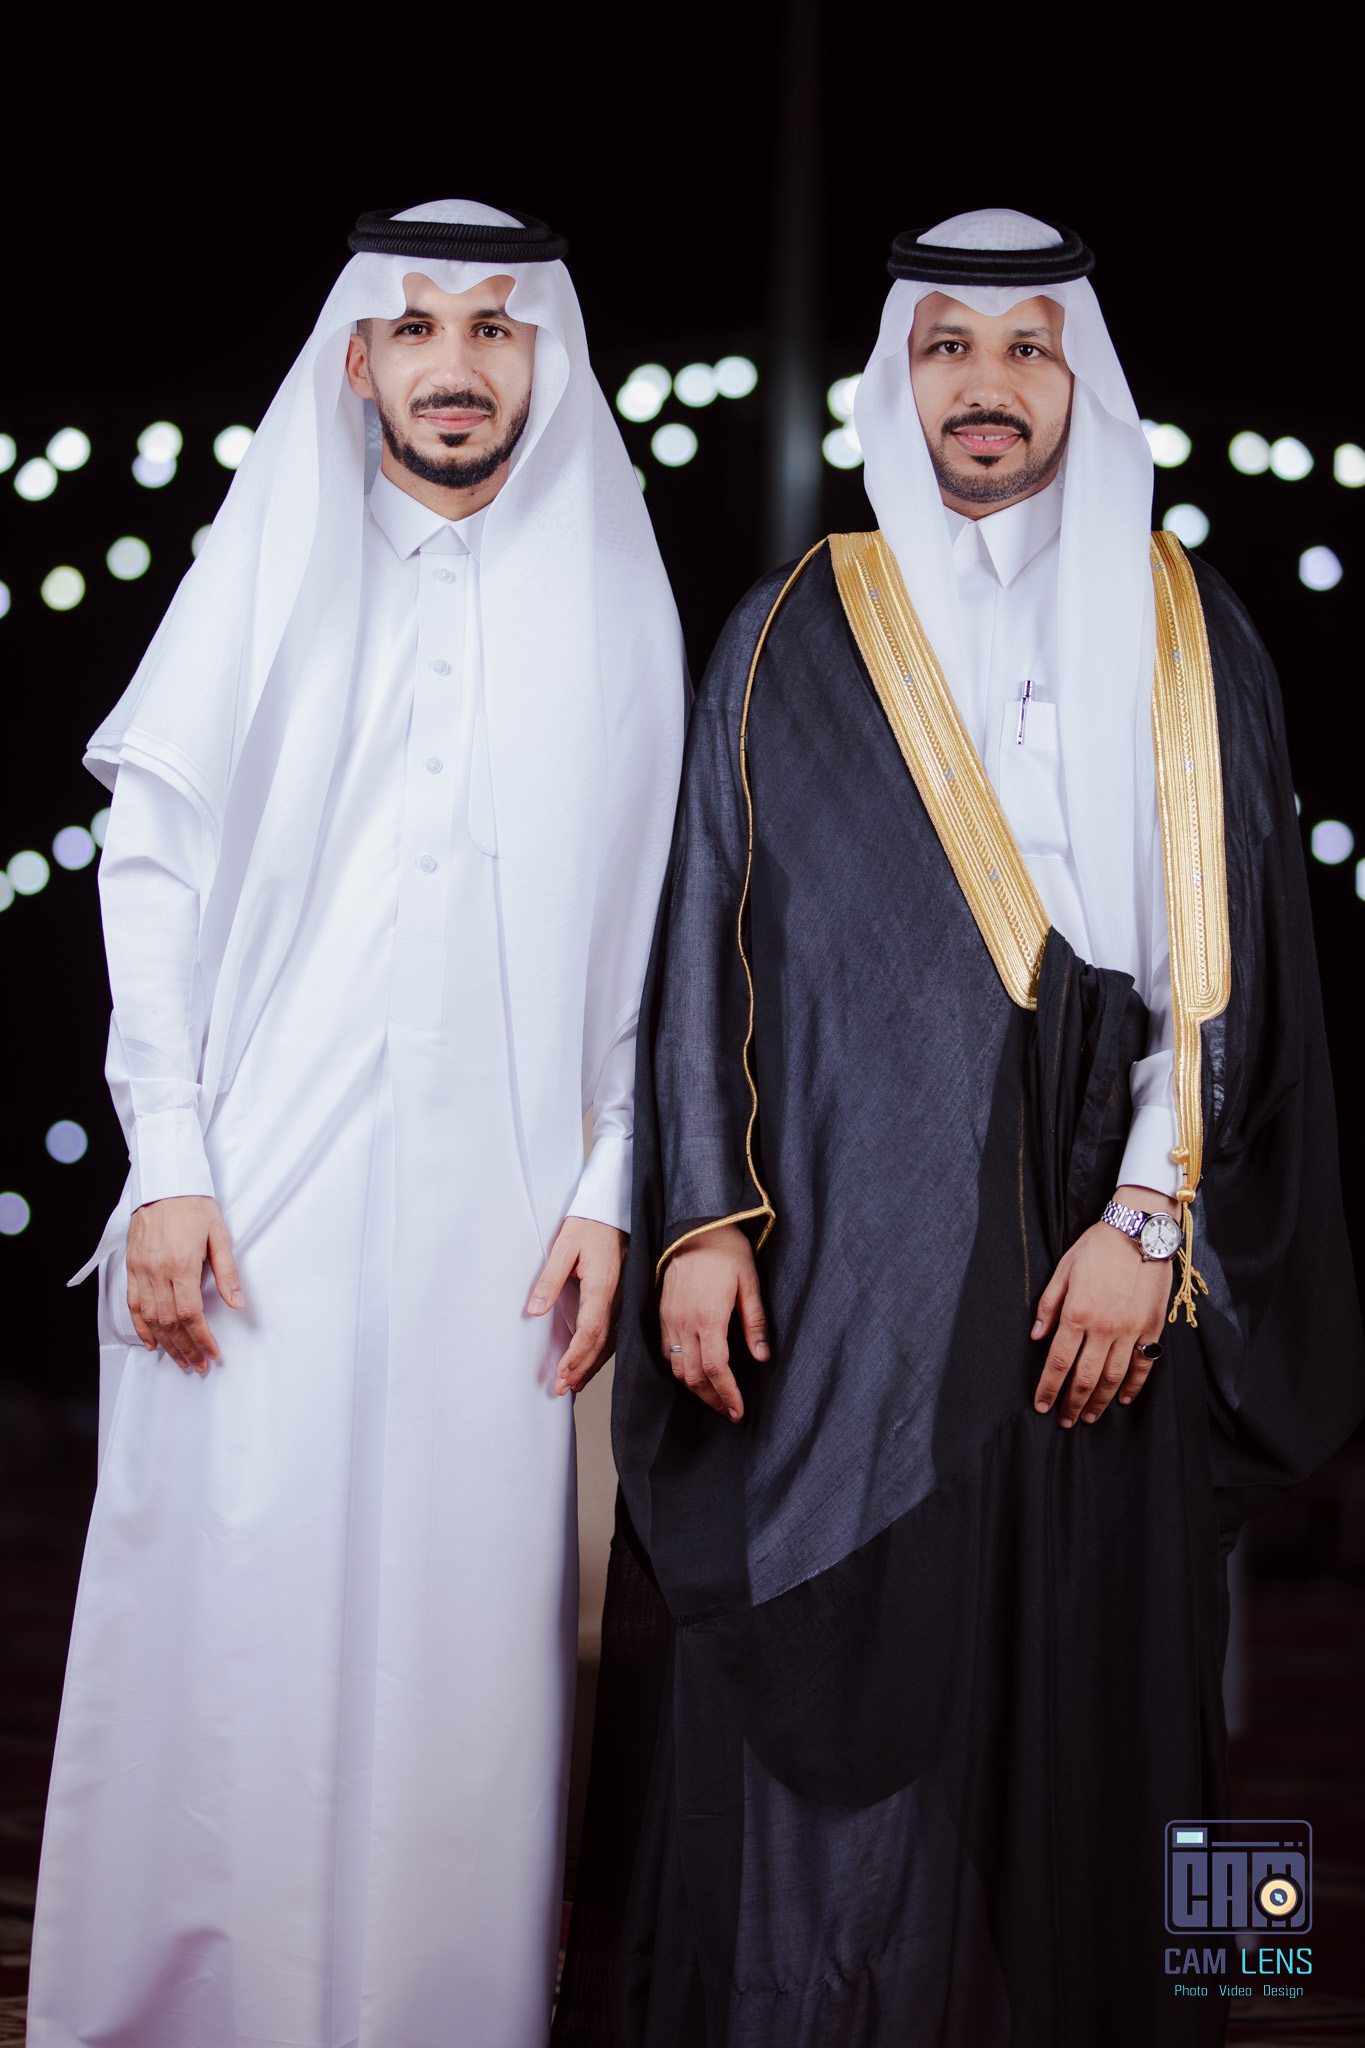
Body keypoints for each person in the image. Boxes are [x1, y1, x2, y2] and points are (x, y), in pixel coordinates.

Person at [555, 210, 1364, 2047]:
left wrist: (1148, 1221)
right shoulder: (792, 627)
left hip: (1105, 1273)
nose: (983, 388)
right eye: (944, 349)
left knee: (1124, 1702)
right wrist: (699, 1222)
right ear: (894, 378)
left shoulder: (1185, 629)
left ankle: (1183, 2013)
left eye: (1022, 349)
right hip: (841, 1272)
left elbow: (1228, 966)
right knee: (818, 1704)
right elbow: (704, 933)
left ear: (1080, 378)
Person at [28, 199, 685, 2048]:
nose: (454, 366)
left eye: (492, 328)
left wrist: (609, 1183)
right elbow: (150, 873)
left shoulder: (613, 598)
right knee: (228, 1616)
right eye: (416, 328)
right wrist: (170, 1163)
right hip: (256, 1200)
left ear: (541, 358)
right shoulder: (271, 564)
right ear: (359, 360)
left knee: (460, 1657)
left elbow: (657, 924)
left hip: (507, 1221)